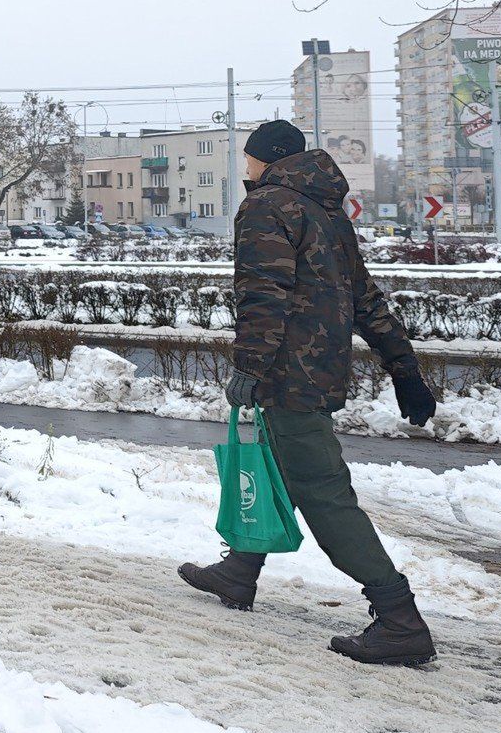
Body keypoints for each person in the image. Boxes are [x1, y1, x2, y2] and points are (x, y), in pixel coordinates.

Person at [178, 119, 440, 666]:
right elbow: (364, 296)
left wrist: (249, 367)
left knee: (322, 491)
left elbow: (263, 295)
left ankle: (399, 617)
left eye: (247, 157)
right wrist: (403, 366)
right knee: (279, 465)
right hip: (320, 369)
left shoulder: (267, 206)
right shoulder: (325, 209)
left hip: (286, 375)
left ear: (266, 159)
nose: (243, 167)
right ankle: (240, 569)